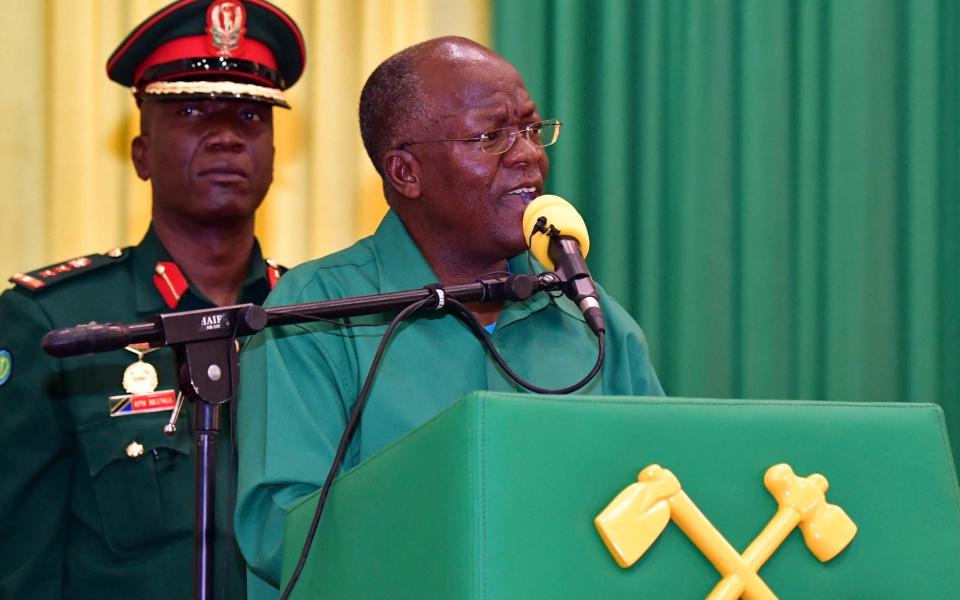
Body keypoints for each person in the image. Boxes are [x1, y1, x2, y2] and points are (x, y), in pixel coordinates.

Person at [234, 36, 664, 596]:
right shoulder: (316, 313)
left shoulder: (589, 312)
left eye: (532, 129)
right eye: (491, 137)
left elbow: (662, 488)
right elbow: (284, 530)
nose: (528, 155)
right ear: (405, 173)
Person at [0, 1, 306, 598]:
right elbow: (18, 564)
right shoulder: (53, 324)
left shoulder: (315, 318)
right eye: (191, 111)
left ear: (273, 154)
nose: (226, 136)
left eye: (251, 115)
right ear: (141, 153)